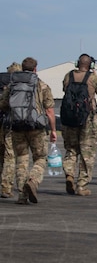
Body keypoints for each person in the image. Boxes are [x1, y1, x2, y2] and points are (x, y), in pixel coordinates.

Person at [0, 57, 56, 204]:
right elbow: (50, 110)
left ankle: (22, 196)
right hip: (36, 127)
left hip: (17, 127)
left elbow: (3, 105)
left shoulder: (12, 85)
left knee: (21, 159)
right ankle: (33, 180)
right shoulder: (42, 85)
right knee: (40, 158)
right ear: (35, 69)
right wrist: (53, 130)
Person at [61, 53, 97, 196]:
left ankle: (69, 174)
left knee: (71, 150)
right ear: (90, 65)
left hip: (70, 120)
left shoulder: (68, 76)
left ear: (77, 63)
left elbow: (64, 89)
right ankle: (81, 185)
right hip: (87, 120)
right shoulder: (93, 78)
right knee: (87, 154)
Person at [0, 62, 21, 199]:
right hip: (10, 123)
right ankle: (6, 187)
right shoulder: (17, 84)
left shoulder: (1, 80)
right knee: (10, 156)